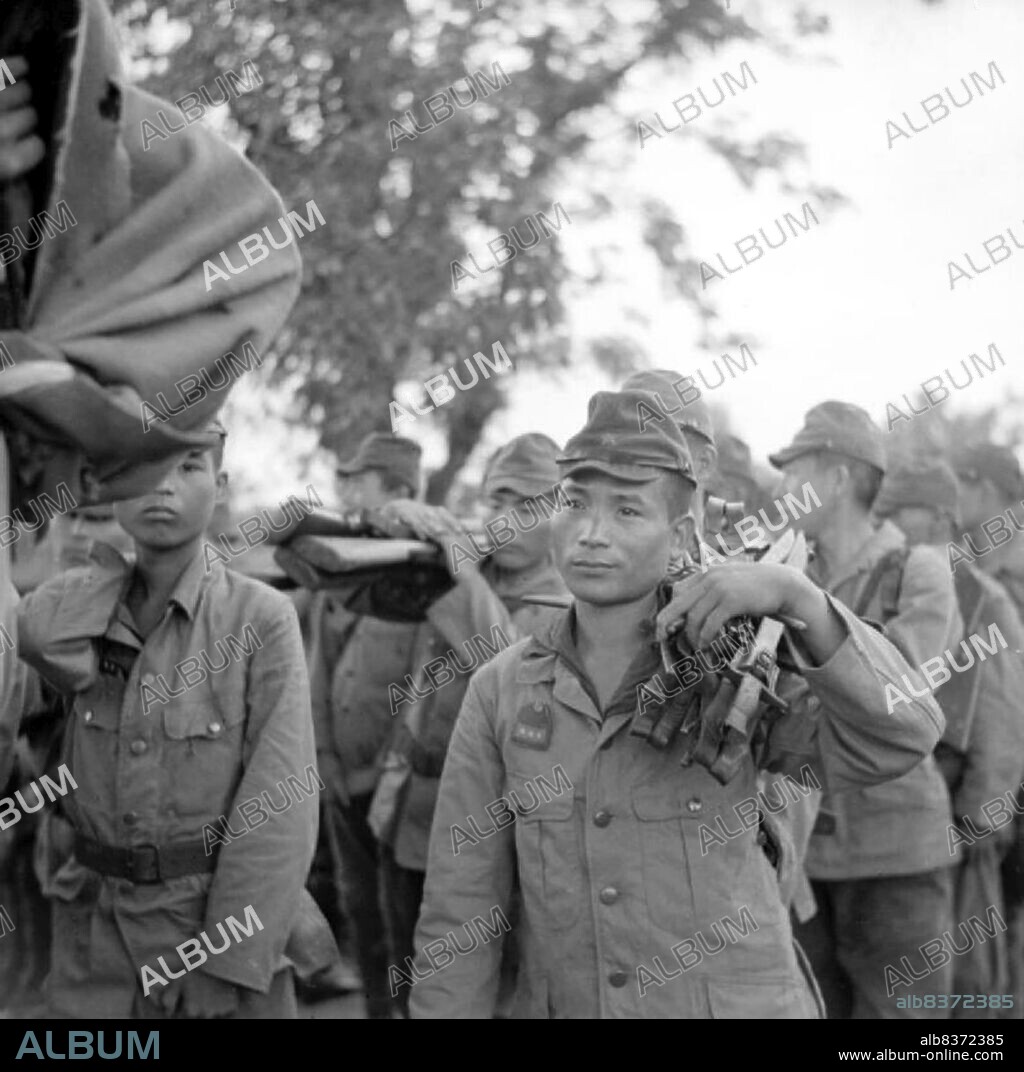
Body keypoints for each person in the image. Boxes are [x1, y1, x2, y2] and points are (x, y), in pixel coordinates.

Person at [408, 389, 946, 1019]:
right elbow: (460, 907)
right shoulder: (501, 689)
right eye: (575, 504)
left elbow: (904, 734)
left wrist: (801, 602)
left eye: (628, 511)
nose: (592, 534)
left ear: (682, 532)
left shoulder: (740, 667)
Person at [16, 421, 318, 1018]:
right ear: (111, 485)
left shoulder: (260, 620)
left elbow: (281, 803)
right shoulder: (80, 617)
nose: (164, 488)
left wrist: (224, 959)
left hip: (202, 932)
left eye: (188, 468)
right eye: (146, 470)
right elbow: (32, 635)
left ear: (221, 485)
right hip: (90, 941)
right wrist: (107, 575)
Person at [770, 402, 961, 1019]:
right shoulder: (786, 569)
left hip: (894, 854)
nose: (784, 489)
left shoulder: (918, 572)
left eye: (795, 473)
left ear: (838, 478)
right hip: (806, 859)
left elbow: (892, 701)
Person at [368, 432, 567, 1016]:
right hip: (409, 810)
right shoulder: (459, 565)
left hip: (491, 832)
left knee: (481, 991)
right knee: (399, 976)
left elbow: (509, 665)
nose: (505, 520)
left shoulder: (565, 600)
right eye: (497, 501)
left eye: (527, 506)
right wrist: (404, 514)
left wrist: (465, 575)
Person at [876, 458, 1024, 1018]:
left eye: (898, 513)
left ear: (939, 520)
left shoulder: (983, 597)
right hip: (895, 823)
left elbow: (1004, 716)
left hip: (959, 818)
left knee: (970, 989)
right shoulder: (877, 578)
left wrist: (980, 818)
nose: (886, 524)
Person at [305, 432, 426, 1017]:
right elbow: (319, 671)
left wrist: (388, 771)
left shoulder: (425, 571)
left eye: (361, 480)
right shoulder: (340, 563)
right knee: (361, 911)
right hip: (340, 782)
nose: (346, 491)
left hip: (398, 787)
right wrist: (324, 758)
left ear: (401, 491)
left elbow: (427, 681)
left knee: (406, 917)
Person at [952, 443, 1024, 1017]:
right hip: (993, 776)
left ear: (985, 491)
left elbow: (1002, 699)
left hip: (1000, 780)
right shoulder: (970, 565)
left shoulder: (1006, 576)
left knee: (987, 961)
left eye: (964, 485)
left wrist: (987, 802)